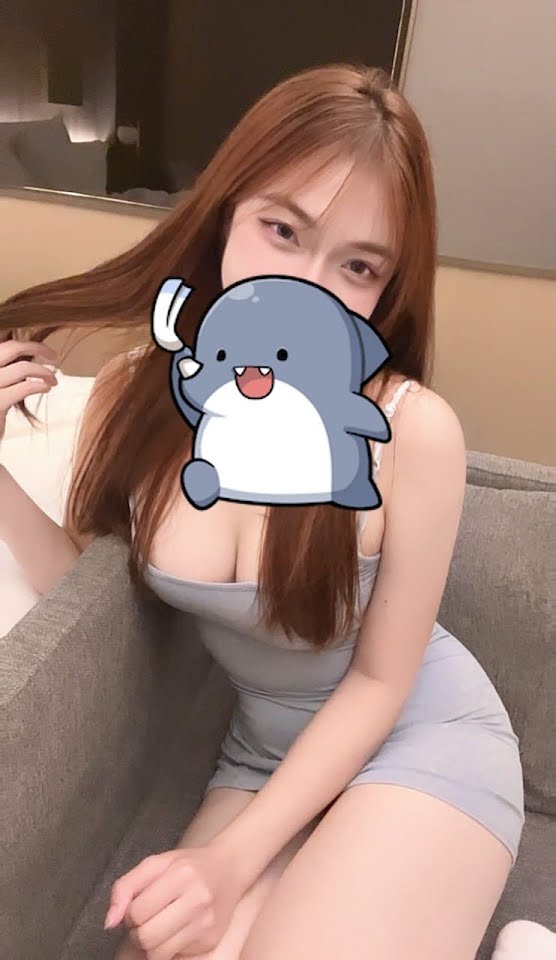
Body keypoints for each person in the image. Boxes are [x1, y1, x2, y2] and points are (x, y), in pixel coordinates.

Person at [0, 63, 525, 960]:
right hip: (263, 755)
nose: (308, 287)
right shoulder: (140, 395)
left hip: (422, 737)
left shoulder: (410, 431)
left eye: (357, 266)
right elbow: (90, 593)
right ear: (225, 215)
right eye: (282, 229)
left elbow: (380, 683)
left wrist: (230, 863)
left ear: (387, 289)